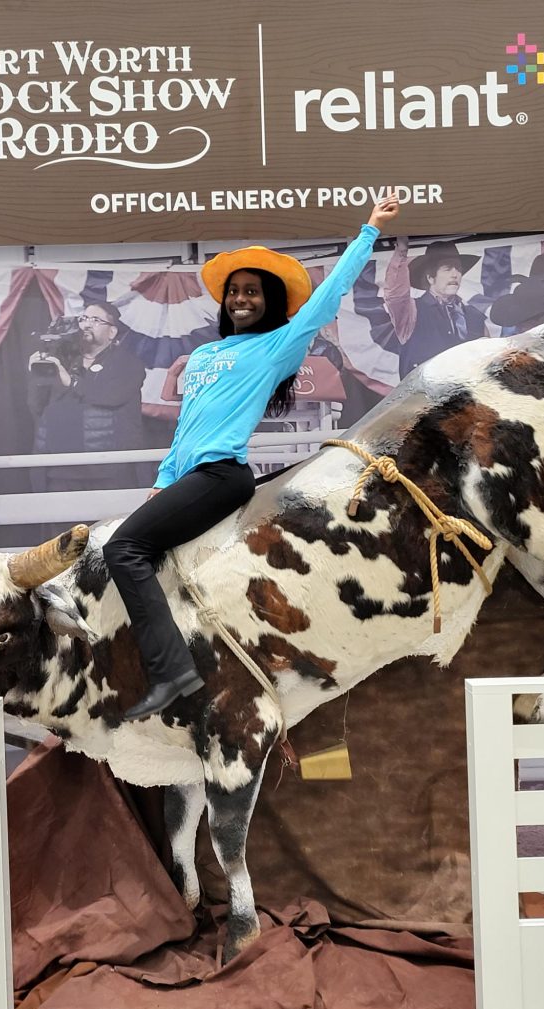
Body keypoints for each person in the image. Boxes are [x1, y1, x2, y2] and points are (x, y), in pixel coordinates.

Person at [103, 191, 402, 721]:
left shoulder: (276, 347)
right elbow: (186, 426)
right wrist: (162, 479)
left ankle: (172, 673)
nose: (242, 298)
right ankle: (193, 665)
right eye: (235, 291)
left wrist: (369, 231)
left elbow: (328, 297)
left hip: (222, 477)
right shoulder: (203, 354)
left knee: (123, 548)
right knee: (144, 557)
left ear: (269, 302)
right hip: (190, 476)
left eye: (253, 292)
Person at [28, 301, 147, 497]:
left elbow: (111, 396)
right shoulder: (61, 361)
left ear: (112, 332)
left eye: (95, 320)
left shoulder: (127, 363)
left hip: (108, 473)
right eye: (83, 319)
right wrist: (37, 377)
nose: (87, 324)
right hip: (59, 472)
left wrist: (71, 381)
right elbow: (37, 407)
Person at [383, 237, 486, 379]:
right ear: (430, 278)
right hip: (423, 399)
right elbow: (395, 293)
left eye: (458, 269)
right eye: (447, 269)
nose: (455, 274)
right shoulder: (412, 311)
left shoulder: (475, 316)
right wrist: (401, 251)